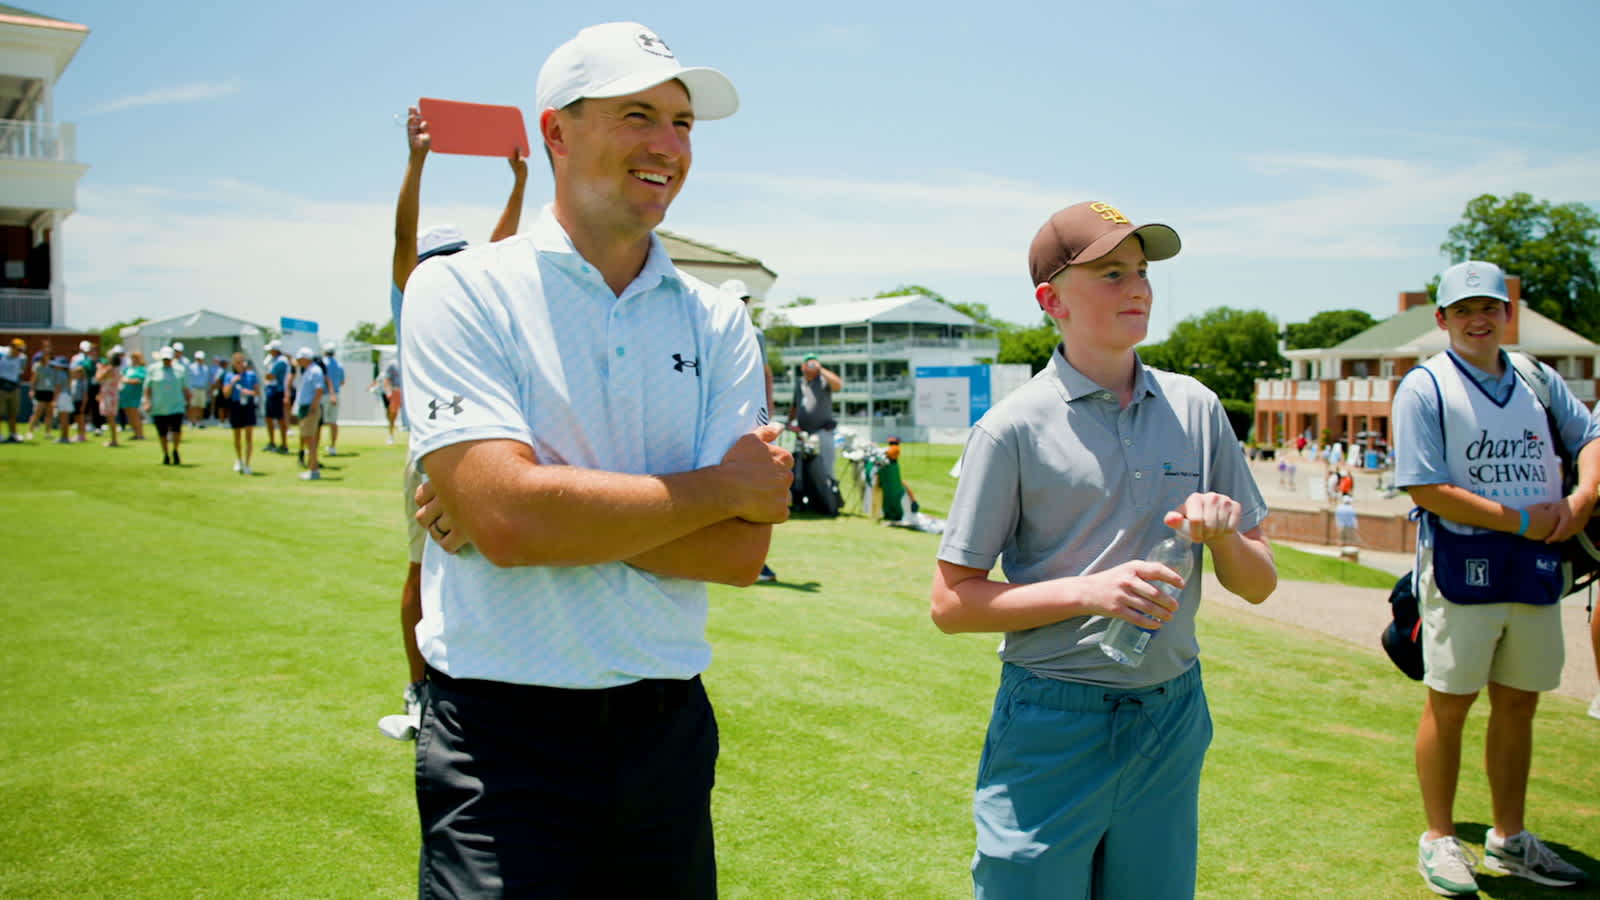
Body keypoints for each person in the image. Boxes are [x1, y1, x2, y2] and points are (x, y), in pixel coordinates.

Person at [400, 22, 787, 896]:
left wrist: (539, 508)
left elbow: (739, 553)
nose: (668, 144)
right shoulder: (460, 289)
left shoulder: (720, 320)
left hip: (667, 732)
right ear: (558, 132)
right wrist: (717, 489)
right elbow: (507, 520)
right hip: (499, 737)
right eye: (639, 113)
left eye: (684, 123)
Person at [928, 200, 1277, 899]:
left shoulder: (1198, 407)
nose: (1139, 288)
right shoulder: (1011, 428)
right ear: (1051, 300)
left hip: (1171, 715)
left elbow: (1259, 582)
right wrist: (1089, 592)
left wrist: (1224, 534)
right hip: (1053, 719)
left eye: (1142, 272)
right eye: (1111, 273)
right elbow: (951, 602)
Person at [1392, 259, 1596, 895]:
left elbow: (1590, 434)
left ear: (1507, 312)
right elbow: (1426, 486)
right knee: (1449, 703)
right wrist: (1518, 520)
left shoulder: (1536, 377)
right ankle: (1440, 838)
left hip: (1537, 565)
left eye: (1489, 307)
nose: (1477, 319)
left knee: (1519, 702)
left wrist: (1584, 497)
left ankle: (1510, 839)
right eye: (1462, 310)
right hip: (1463, 565)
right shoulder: (1425, 387)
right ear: (1442, 319)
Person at [374, 100, 529, 743]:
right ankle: (420, 696)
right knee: (425, 574)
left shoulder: (472, 294)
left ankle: (477, 695)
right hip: (433, 450)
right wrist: (417, 163)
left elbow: (499, 248)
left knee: (492, 569)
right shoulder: (415, 291)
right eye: (446, 258)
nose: (458, 265)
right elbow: (403, 240)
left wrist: (519, 185)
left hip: (488, 449)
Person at [724, 278, 778, 583]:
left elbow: (765, 374)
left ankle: (756, 560)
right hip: (721, 418)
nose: (741, 306)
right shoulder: (710, 326)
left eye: (744, 300)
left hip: (751, 421)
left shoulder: (755, 334)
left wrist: (766, 413)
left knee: (756, 487)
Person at [789, 352, 843, 484]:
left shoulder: (823, 380)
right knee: (802, 469)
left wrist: (821, 369)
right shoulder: (800, 382)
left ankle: (829, 492)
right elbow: (795, 405)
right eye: (808, 363)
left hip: (823, 430)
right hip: (803, 432)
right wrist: (789, 422)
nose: (811, 365)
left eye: (813, 362)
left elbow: (838, 385)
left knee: (826, 467)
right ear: (803, 367)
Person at [143, 347, 190, 465]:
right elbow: (147, 387)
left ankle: (175, 450)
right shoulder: (153, 369)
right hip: (159, 407)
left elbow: (185, 387)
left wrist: (188, 401)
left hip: (176, 405)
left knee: (176, 430)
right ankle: (165, 454)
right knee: (162, 432)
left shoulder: (180, 369)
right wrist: (147, 401)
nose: (167, 361)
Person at [290, 347, 325, 480]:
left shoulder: (315, 371)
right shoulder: (308, 370)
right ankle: (312, 468)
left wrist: (313, 407)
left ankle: (313, 470)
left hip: (310, 408)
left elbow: (319, 390)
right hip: (306, 407)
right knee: (308, 438)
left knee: (310, 439)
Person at [223, 351, 259, 474]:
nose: (241, 364)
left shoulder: (251, 375)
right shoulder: (229, 376)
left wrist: (248, 392)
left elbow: (257, 392)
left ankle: (248, 464)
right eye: (238, 362)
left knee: (249, 436)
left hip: (248, 405)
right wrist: (233, 382)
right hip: (236, 405)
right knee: (237, 436)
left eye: (242, 361)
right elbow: (226, 394)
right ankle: (239, 459)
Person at [261, 340, 290, 453]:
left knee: (280, 418)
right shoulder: (274, 360)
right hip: (271, 391)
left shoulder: (281, 361)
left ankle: (284, 445)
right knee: (268, 417)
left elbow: (270, 376)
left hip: (278, 392)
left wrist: (265, 373)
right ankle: (272, 443)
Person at [25, 337, 56, 440]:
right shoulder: (38, 366)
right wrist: (32, 389)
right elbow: (33, 379)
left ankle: (47, 432)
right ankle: (30, 431)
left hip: (50, 391)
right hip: (40, 391)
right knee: (37, 412)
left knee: (49, 413)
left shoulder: (53, 366)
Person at [318, 343, 344, 455]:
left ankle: (314, 447)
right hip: (336, 395)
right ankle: (332, 447)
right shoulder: (339, 365)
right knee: (333, 421)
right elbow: (342, 381)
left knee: (318, 423)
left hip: (322, 394)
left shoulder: (321, 363)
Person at [118, 350, 146, 441]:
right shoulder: (128, 369)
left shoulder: (141, 369)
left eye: (135, 358)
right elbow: (120, 377)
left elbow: (139, 380)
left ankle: (140, 434)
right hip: (125, 395)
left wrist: (127, 380)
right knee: (129, 414)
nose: (133, 360)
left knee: (135, 414)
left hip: (135, 395)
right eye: (132, 358)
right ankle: (135, 433)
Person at [97, 351, 123, 447]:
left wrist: (99, 368)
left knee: (110, 418)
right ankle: (113, 439)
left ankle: (113, 440)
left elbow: (98, 378)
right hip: (114, 395)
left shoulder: (109, 369)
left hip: (108, 396)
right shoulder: (117, 369)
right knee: (112, 418)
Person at [0, 341, 22, 442]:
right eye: (18, 349)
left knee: (13, 413)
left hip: (14, 387)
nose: (20, 352)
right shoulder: (2, 354)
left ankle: (13, 434)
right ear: (12, 347)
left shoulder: (21, 358)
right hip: (1, 387)